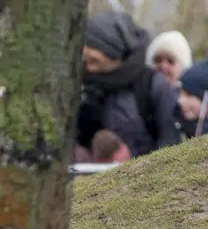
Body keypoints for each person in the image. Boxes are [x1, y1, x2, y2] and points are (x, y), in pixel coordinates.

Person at [76, 11, 180, 158]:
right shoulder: (87, 90)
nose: (89, 69)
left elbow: (171, 143)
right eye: (85, 61)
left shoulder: (153, 86)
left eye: (94, 61)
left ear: (116, 57)